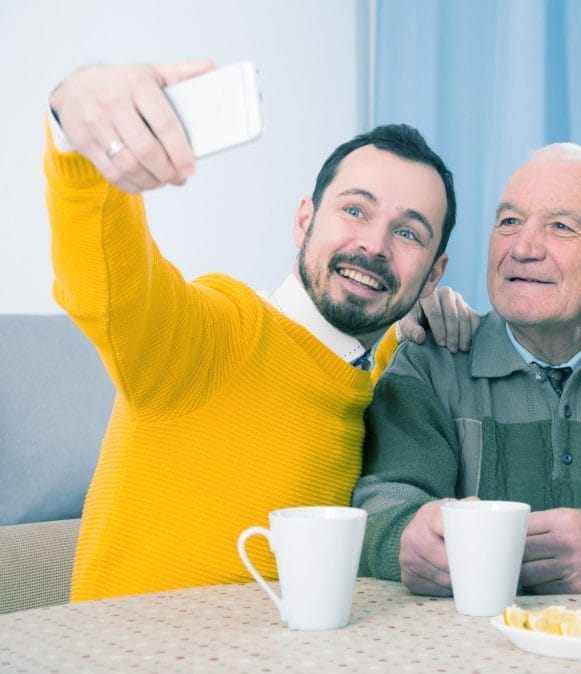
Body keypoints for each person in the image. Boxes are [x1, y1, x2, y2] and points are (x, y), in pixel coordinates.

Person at [45, 61, 471, 601]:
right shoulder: (215, 335)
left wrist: (426, 322)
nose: (375, 245)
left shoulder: (392, 374)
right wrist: (76, 118)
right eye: (355, 210)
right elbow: (104, 282)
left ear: (433, 273)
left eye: (408, 232)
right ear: (303, 221)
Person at [353, 143, 581, 597]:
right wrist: (405, 540)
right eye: (509, 221)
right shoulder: (429, 361)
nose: (524, 248)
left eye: (561, 226)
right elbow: (381, 506)